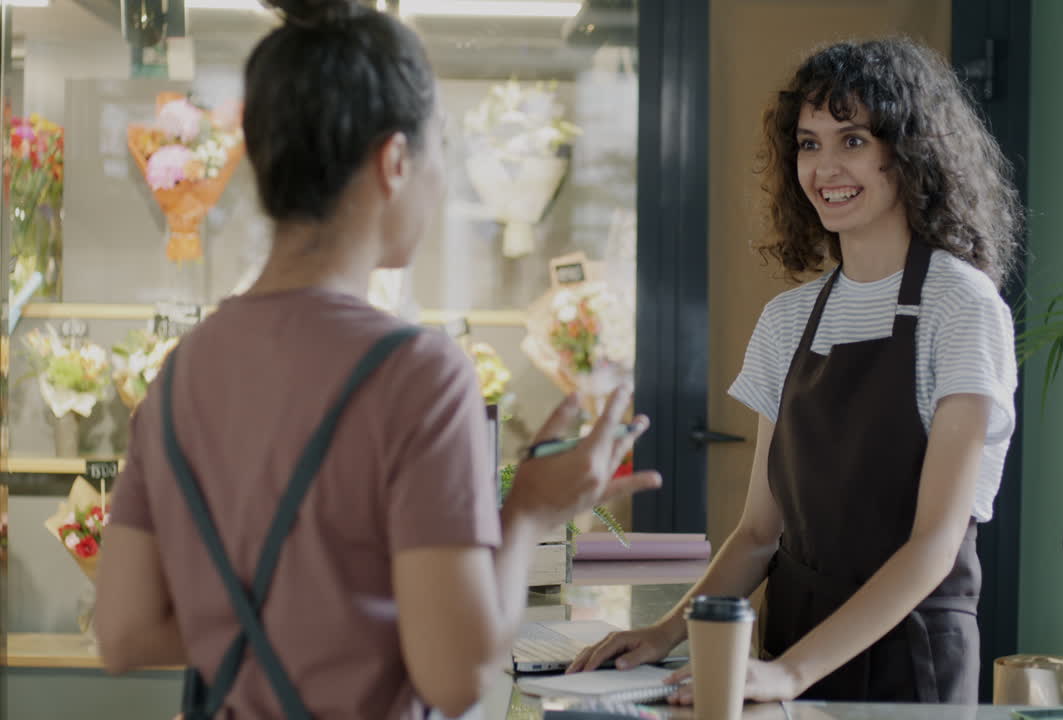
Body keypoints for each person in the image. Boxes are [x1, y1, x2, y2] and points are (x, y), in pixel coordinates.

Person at [93, 1, 660, 718]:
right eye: (438, 151)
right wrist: (527, 515)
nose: (440, 181)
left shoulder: (182, 372)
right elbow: (456, 677)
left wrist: (290, 622)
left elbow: (123, 631)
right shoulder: (419, 376)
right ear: (394, 162)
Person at [570, 37, 1020, 704]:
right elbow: (758, 533)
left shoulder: (961, 306)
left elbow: (934, 543)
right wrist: (665, 633)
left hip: (909, 660)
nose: (825, 167)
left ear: (911, 151)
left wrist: (792, 673)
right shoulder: (789, 319)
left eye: (853, 140)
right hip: (789, 642)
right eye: (809, 144)